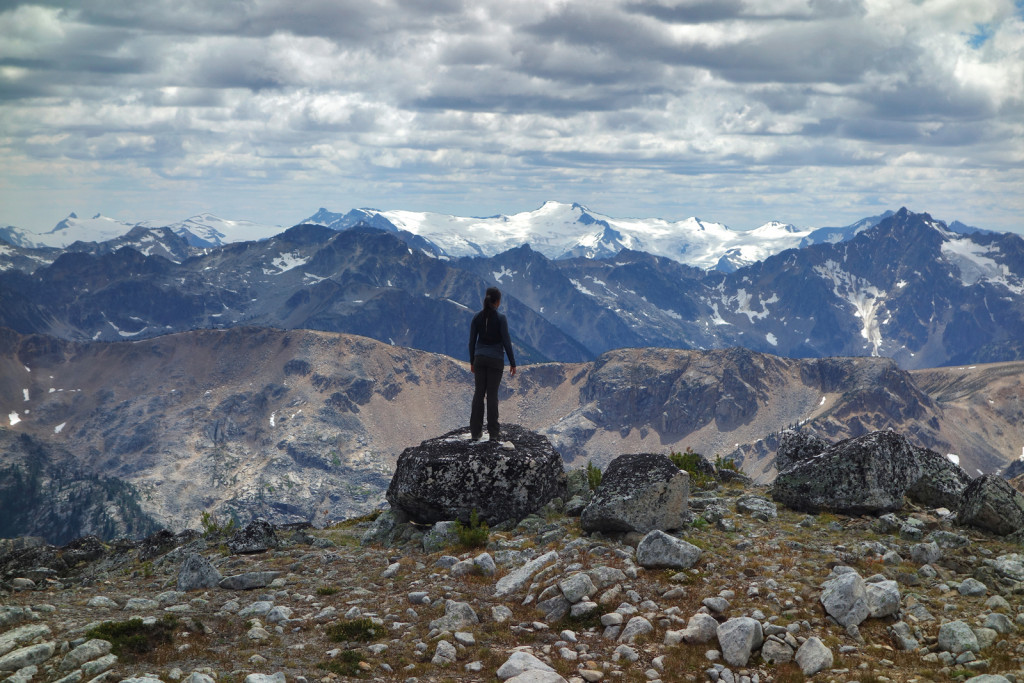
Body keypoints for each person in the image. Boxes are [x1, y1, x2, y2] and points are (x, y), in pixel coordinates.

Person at [468, 286, 516, 441]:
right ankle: (493, 433)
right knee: (492, 395)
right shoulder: (501, 318)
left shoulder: (476, 317)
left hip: (479, 358)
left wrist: (472, 361)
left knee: (478, 393)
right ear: (498, 301)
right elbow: (506, 342)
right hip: (496, 360)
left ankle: (475, 432)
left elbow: (471, 342)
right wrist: (512, 363)